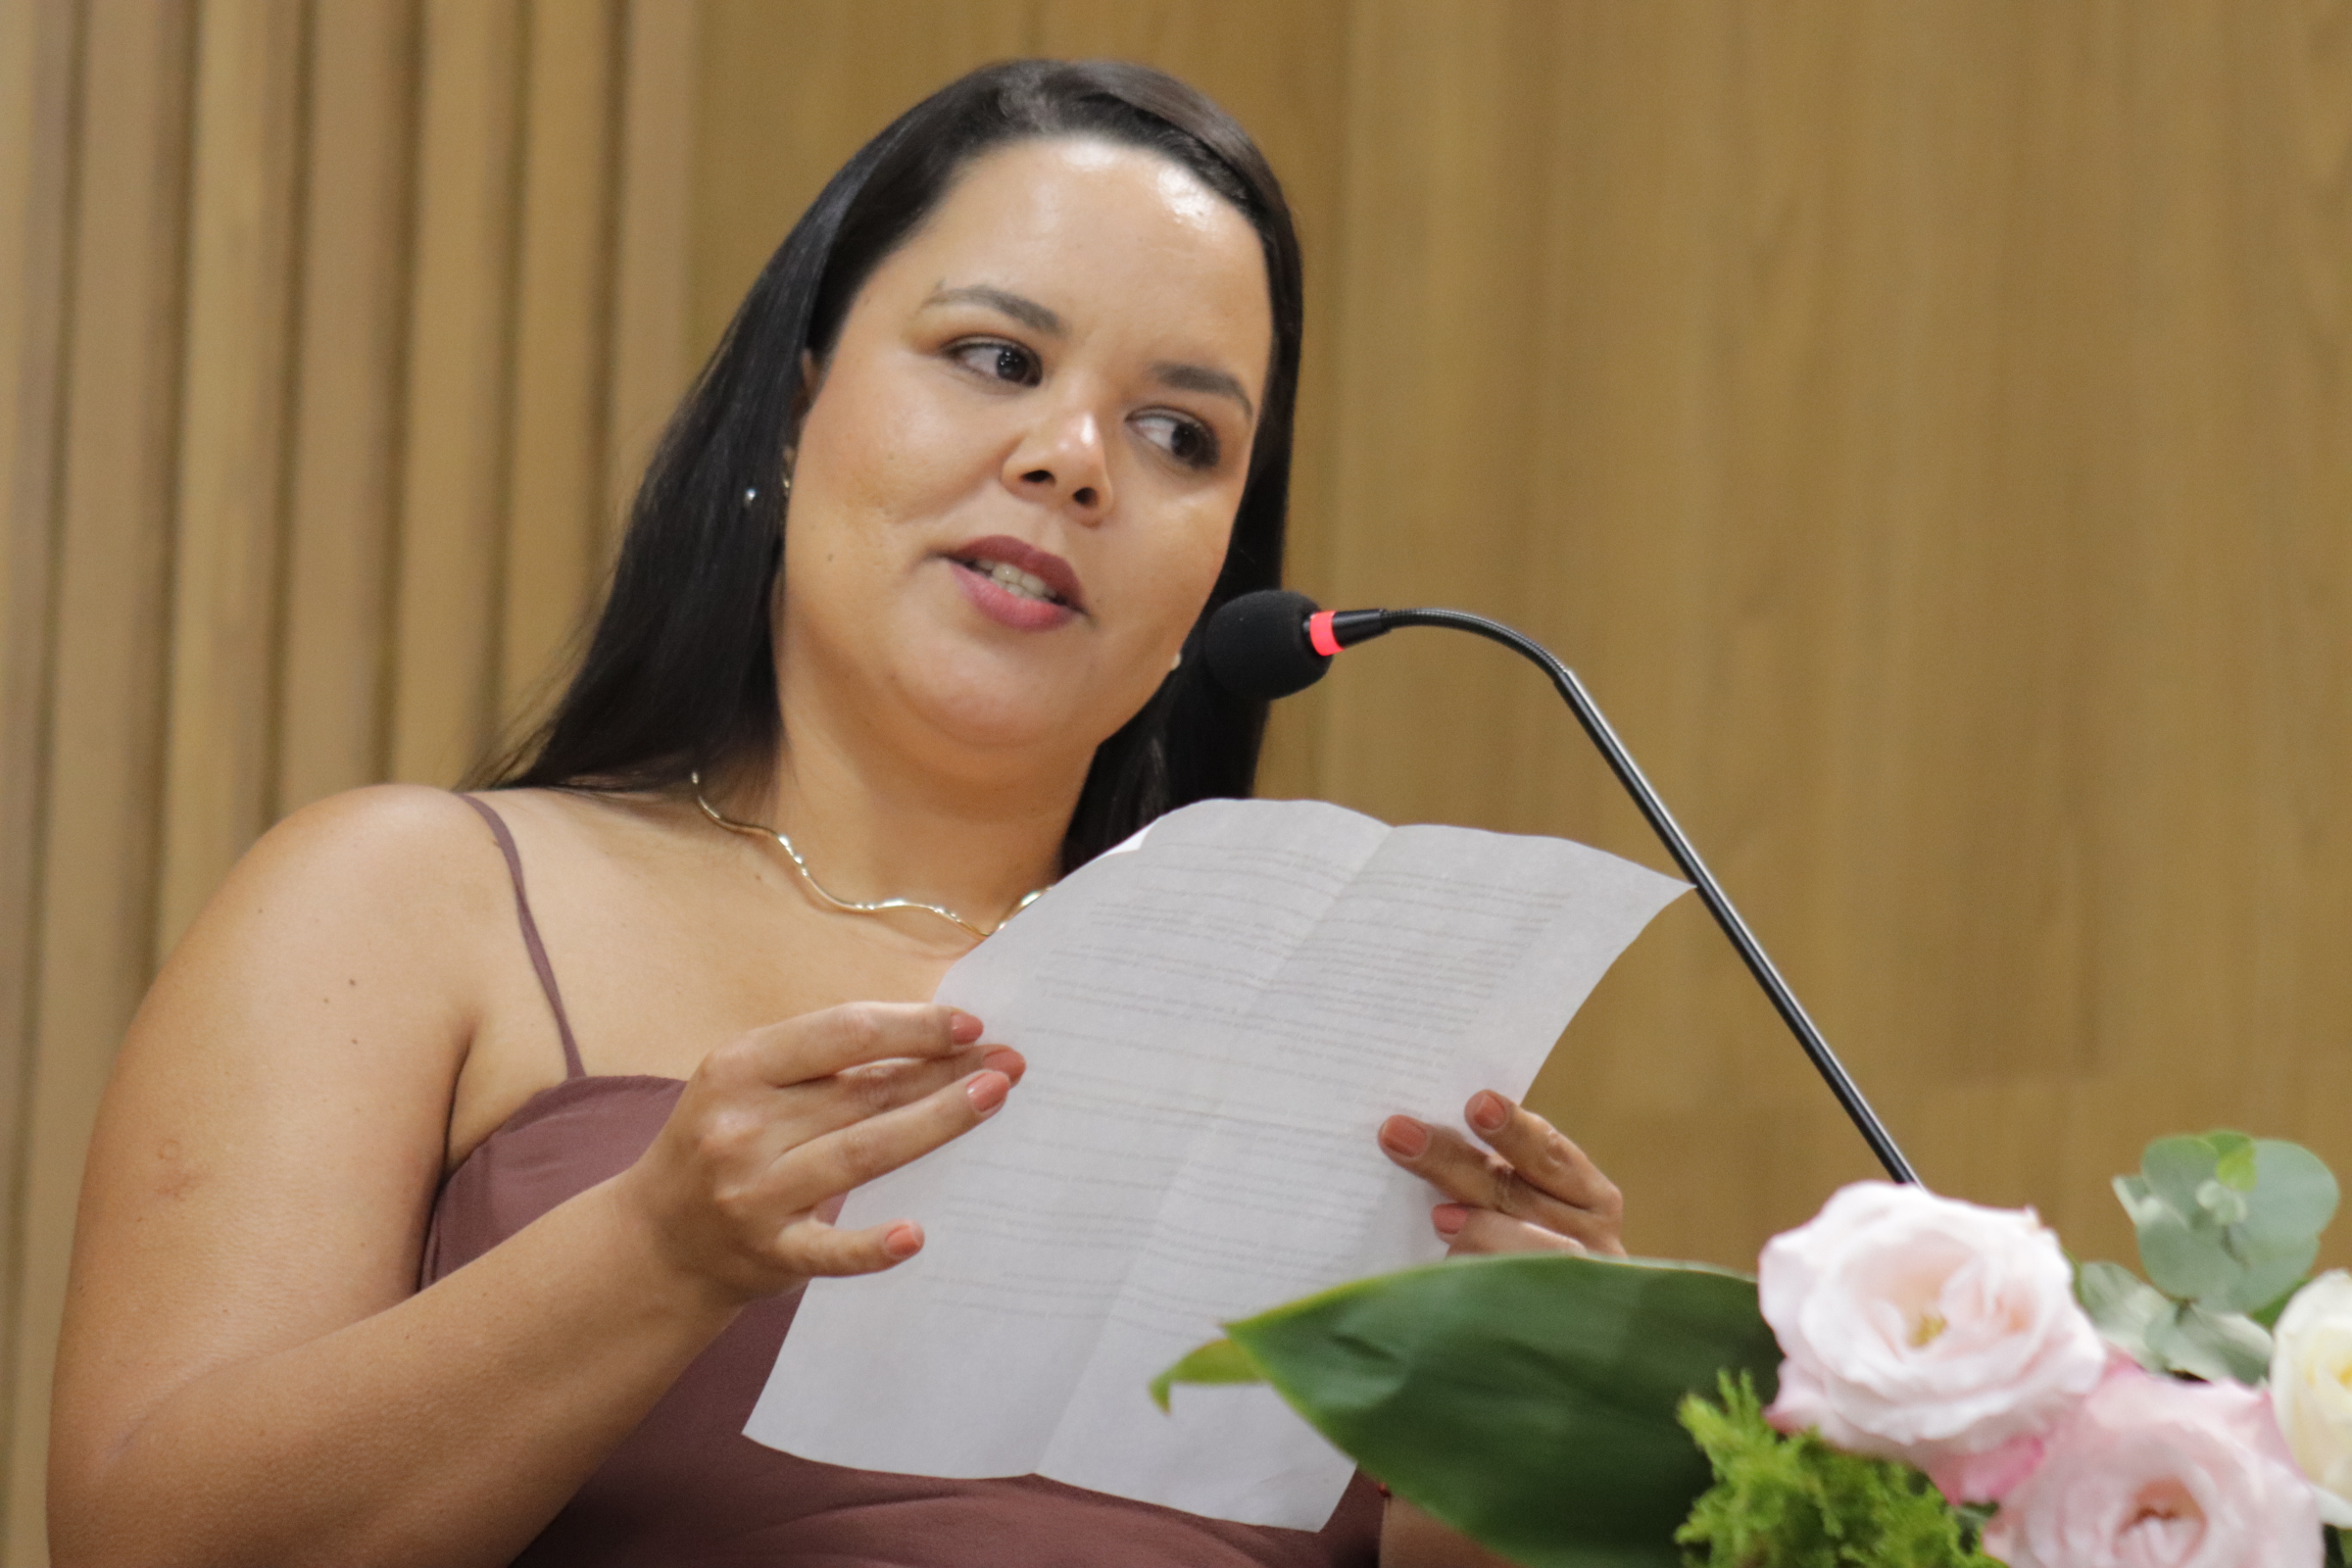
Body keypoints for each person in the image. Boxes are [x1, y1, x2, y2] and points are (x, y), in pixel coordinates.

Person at [48, 60, 1626, 1568]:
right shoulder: (405, 899)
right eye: (997, 359)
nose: (1073, 462)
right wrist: (657, 1253)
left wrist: (1558, 1432)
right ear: (797, 407)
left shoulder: (1355, 1067)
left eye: (1179, 436)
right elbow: (145, 1540)